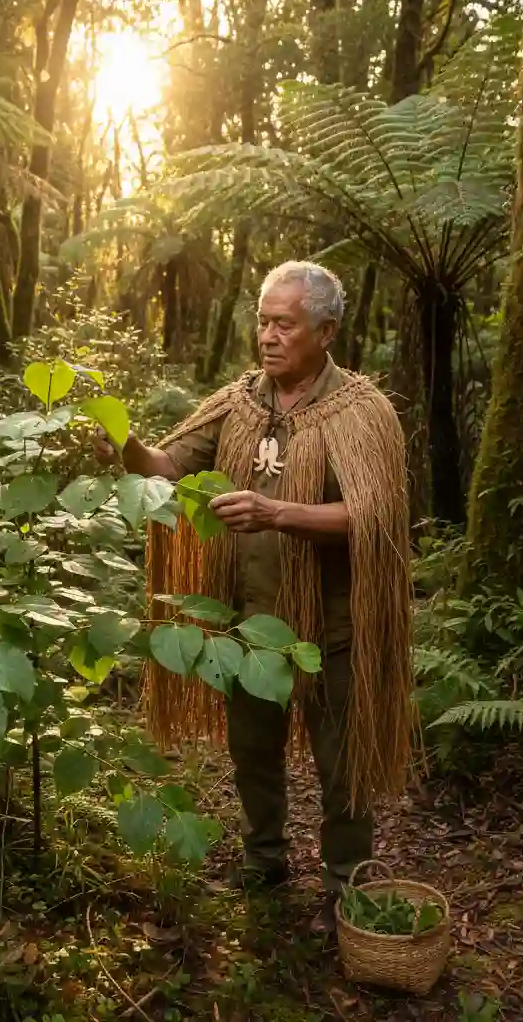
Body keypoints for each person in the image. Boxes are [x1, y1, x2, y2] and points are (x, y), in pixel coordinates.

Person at [94, 261, 412, 933]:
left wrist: (279, 513)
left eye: (284, 324)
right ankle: (264, 863)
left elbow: (373, 518)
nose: (267, 336)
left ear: (325, 331)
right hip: (249, 631)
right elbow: (164, 467)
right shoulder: (237, 404)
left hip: (335, 629)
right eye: (262, 320)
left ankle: (345, 887)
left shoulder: (362, 412)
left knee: (343, 768)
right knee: (253, 755)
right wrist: (121, 442)